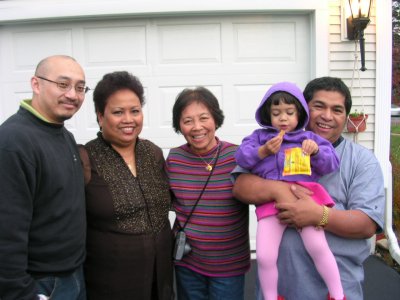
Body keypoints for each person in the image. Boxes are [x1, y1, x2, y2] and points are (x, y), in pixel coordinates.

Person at [232, 77, 385, 300]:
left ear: (345, 117)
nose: (327, 116)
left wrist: (318, 215)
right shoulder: (268, 142)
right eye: (319, 106)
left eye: (337, 110)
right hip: (281, 288)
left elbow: (366, 224)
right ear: (304, 108)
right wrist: (280, 191)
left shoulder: (362, 161)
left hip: (335, 288)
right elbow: (240, 186)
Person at [235, 82, 344, 300]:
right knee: (265, 256)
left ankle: (338, 295)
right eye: (276, 113)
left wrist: (315, 153)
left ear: (300, 113)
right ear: (268, 114)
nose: (283, 118)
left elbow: (331, 162)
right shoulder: (260, 137)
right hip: (270, 204)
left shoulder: (309, 138)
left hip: (304, 200)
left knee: (318, 248)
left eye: (289, 112)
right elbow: (241, 157)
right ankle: (270, 297)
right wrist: (263, 151)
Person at [79, 71, 173, 300]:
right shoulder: (85, 158)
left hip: (161, 278)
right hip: (110, 282)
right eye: (118, 112)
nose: (128, 119)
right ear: (100, 116)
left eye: (135, 111)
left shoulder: (153, 152)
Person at [0, 55, 88, 300]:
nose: (73, 94)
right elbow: (6, 232)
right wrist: (21, 293)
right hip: (42, 284)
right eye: (63, 84)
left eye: (80, 88)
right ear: (36, 84)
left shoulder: (63, 135)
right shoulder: (14, 142)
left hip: (74, 275)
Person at [166, 87, 250, 300]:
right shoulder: (174, 159)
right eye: (187, 121)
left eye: (204, 118)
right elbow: (165, 200)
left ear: (215, 119)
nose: (197, 127)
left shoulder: (237, 155)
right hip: (188, 263)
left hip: (229, 265)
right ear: (179, 126)